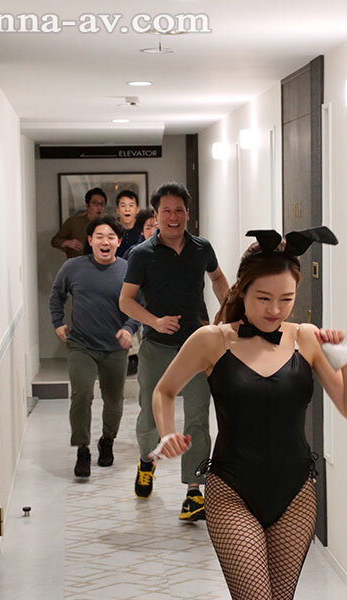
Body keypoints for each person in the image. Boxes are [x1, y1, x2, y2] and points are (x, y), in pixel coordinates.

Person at [150, 228, 347, 599]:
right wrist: (167, 432)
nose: (275, 310)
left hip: (296, 494)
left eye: (286, 299)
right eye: (263, 298)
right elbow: (164, 390)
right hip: (231, 491)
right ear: (242, 291)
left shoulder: (306, 337)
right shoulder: (212, 340)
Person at [118, 182, 230, 520]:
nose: (173, 217)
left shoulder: (202, 248)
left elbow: (218, 279)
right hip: (157, 348)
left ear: (187, 213)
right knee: (149, 417)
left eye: (178, 210)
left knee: (197, 417)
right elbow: (126, 301)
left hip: (197, 348)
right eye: (166, 211)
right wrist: (154, 320)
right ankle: (146, 461)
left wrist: (228, 313)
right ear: (156, 215)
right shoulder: (142, 254)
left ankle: (193, 492)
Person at [49, 215, 139, 477]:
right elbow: (56, 296)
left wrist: (129, 328)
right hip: (81, 345)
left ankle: (107, 440)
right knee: (81, 395)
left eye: (111, 237)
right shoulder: (73, 267)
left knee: (114, 401)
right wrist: (57, 322)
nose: (105, 242)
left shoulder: (128, 270)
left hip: (115, 347)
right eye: (99, 236)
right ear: (90, 240)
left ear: (119, 242)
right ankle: (82, 449)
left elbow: (139, 305)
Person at [124, 206, 157, 376]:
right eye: (148, 227)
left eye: (156, 226)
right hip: (139, 306)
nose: (153, 231)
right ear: (142, 231)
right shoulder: (134, 252)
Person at [51, 187, 107, 258]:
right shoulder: (73, 222)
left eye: (102, 204)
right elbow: (55, 241)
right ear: (87, 205)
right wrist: (67, 242)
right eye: (95, 203)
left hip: (101, 262)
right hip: (76, 261)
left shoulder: (107, 225)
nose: (99, 207)